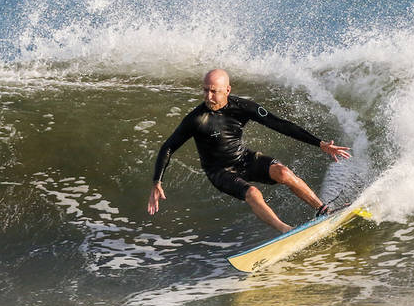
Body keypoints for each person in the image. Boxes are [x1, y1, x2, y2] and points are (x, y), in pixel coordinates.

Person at [147, 69, 351, 233]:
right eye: (205, 90)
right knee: (253, 193)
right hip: (219, 171)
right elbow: (168, 147)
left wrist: (320, 143)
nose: (208, 96)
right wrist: (157, 181)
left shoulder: (242, 107)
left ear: (227, 90)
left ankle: (323, 210)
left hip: (243, 158)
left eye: (214, 91)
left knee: (284, 173)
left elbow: (279, 124)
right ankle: (286, 230)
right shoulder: (196, 119)